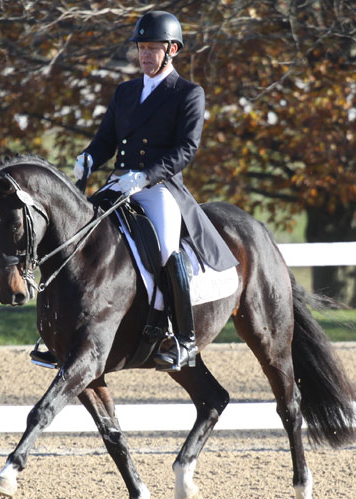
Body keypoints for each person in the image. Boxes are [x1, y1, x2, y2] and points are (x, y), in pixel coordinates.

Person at [74, 10, 238, 371]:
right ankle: (66, 331)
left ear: (172, 50)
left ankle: (184, 339)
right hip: (119, 185)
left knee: (166, 251)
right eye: (142, 48)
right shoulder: (125, 92)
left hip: (160, 188)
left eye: (153, 49)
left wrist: (145, 176)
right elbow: (105, 141)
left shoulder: (188, 93)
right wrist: (88, 158)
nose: (145, 55)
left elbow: (186, 149)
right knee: (80, 236)